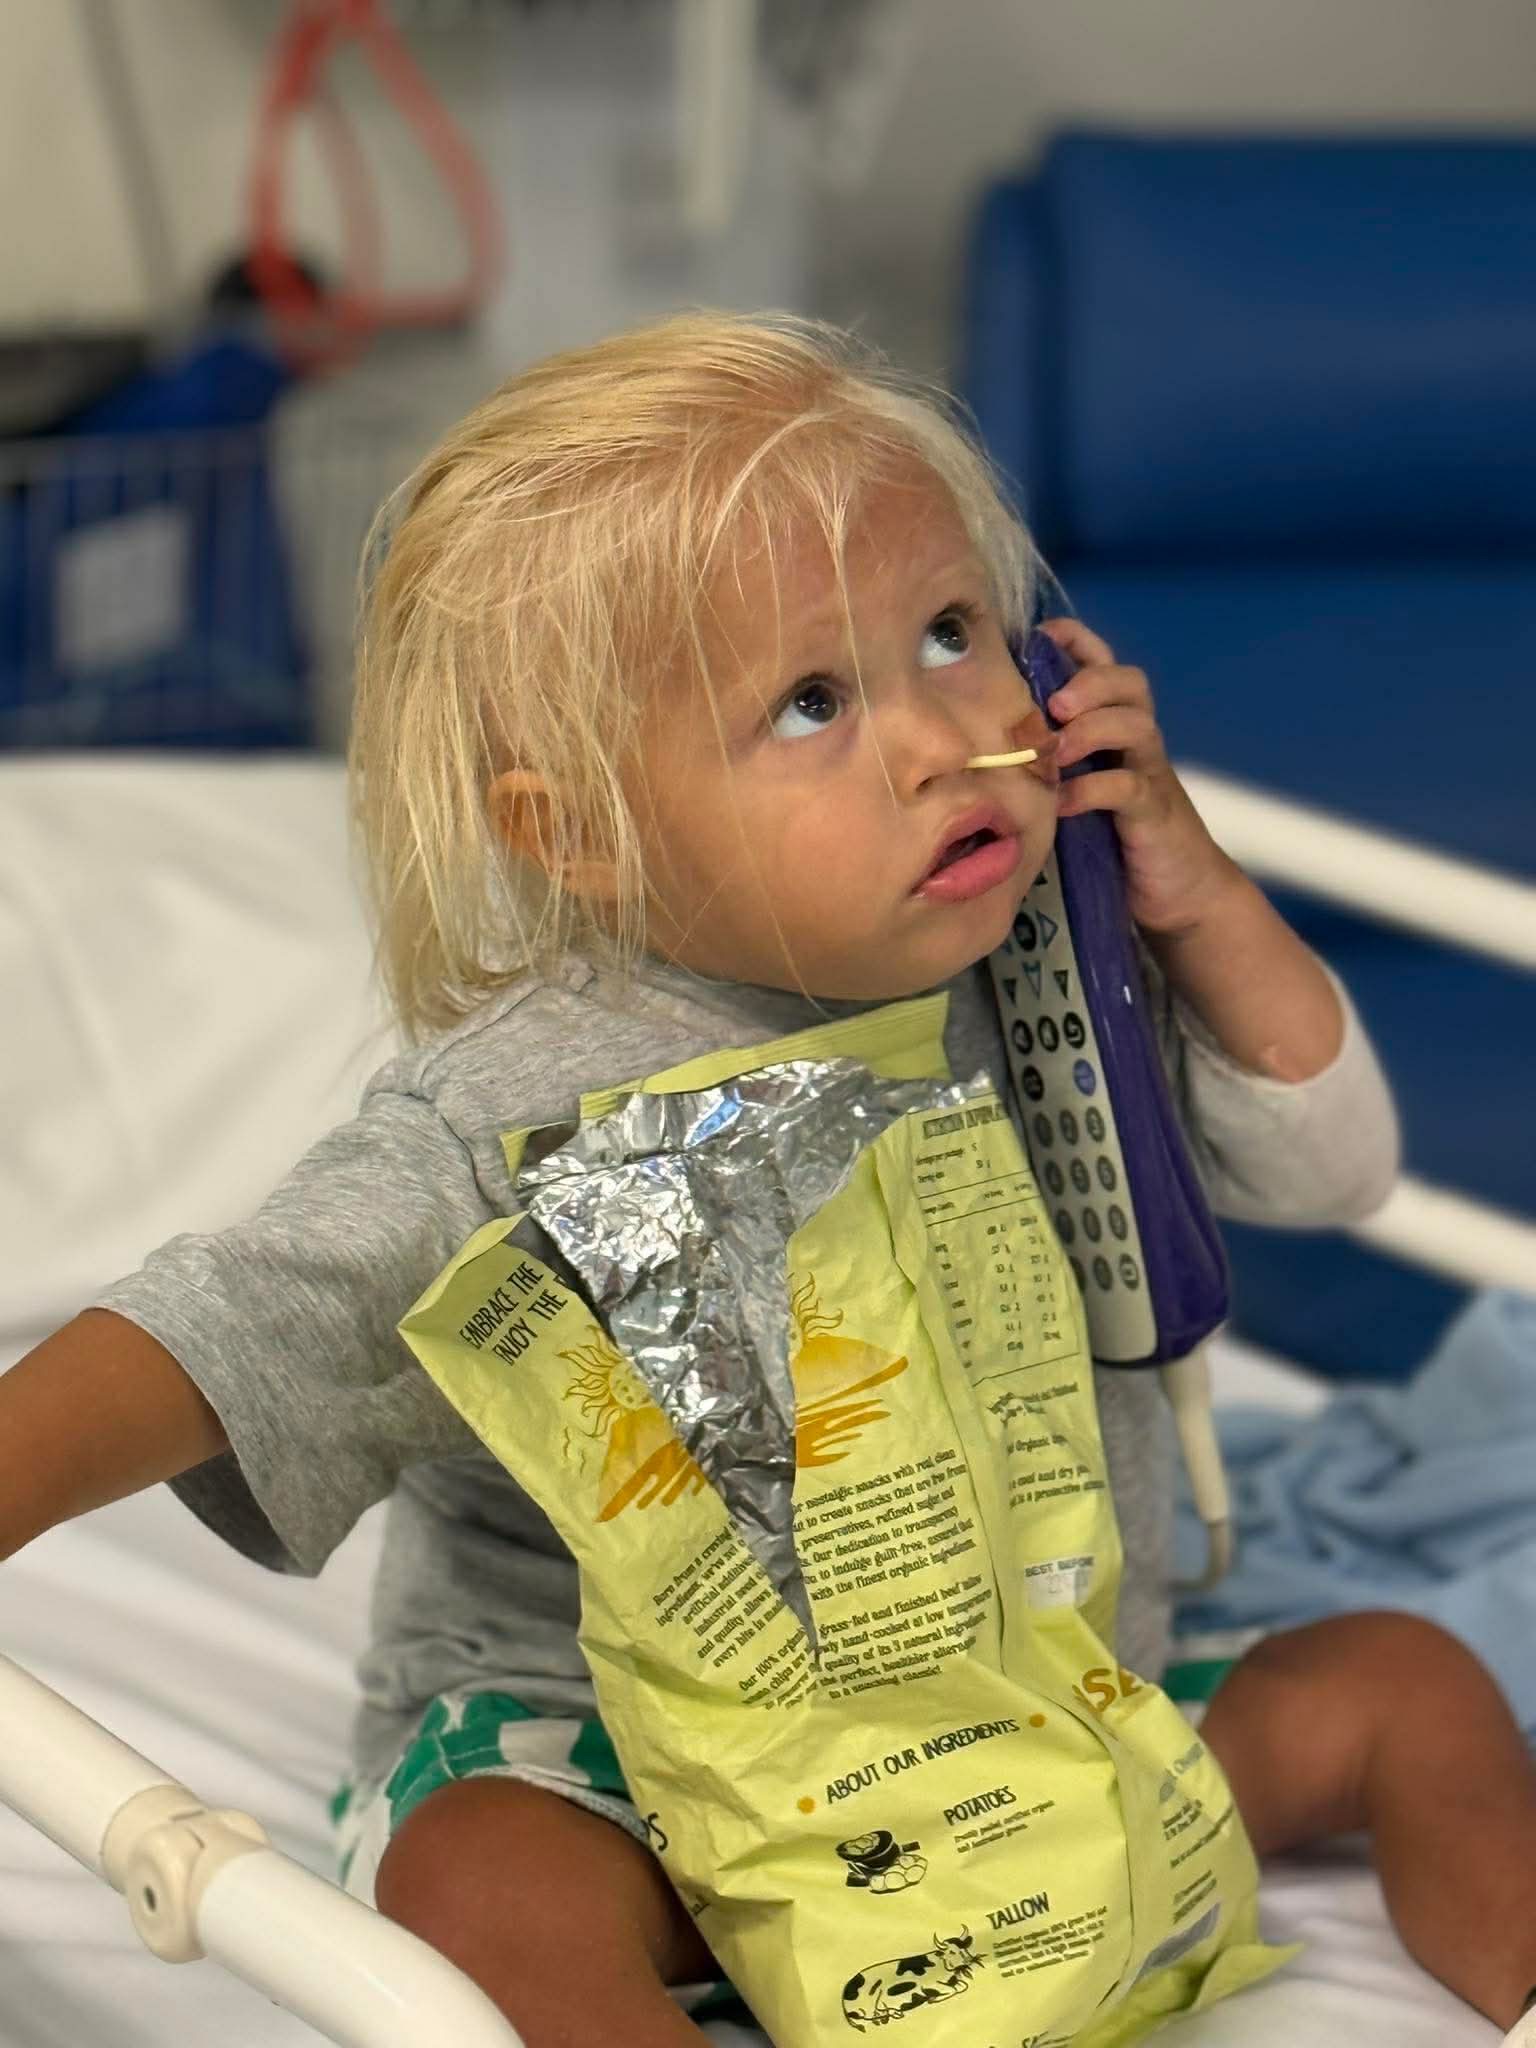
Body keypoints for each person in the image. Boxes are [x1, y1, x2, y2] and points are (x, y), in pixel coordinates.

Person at [3, 312, 1533, 2048]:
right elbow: (227, 1327)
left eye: (952, 632)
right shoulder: (522, 1111)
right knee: (482, 1887)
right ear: (583, 834)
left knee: (1407, 1685)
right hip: (639, 1769)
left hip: (1023, 1705)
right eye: (812, 702)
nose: (942, 737)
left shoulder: (1041, 969)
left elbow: (1341, 1165)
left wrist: (1186, 896)